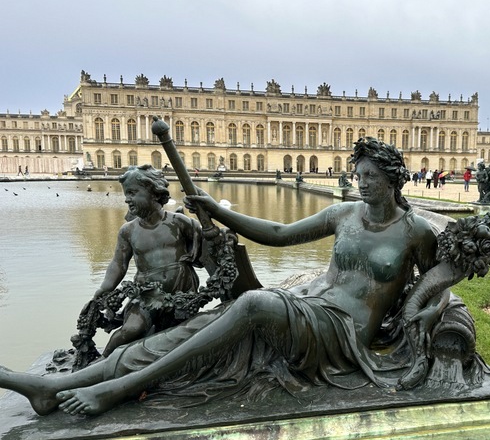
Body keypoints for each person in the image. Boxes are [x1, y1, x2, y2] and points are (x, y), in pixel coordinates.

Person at [0, 137, 455, 417]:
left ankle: (120, 388)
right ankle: (52, 388)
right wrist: (217, 210)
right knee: (200, 324)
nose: (362, 183)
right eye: (358, 175)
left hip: (342, 333)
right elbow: (278, 234)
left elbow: (437, 282)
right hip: (309, 307)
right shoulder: (344, 215)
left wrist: (428, 312)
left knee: (253, 303)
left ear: (393, 177)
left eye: (371, 176)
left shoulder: (415, 231)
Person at [90, 164, 203, 358]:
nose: (127, 199)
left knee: (179, 338)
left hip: (181, 293)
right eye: (126, 194)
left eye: (132, 193)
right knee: (131, 329)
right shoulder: (128, 230)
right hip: (146, 294)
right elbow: (118, 264)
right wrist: (104, 288)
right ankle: (104, 360)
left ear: (154, 193)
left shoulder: (179, 222)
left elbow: (206, 248)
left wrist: (205, 216)